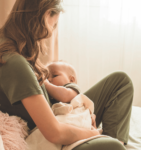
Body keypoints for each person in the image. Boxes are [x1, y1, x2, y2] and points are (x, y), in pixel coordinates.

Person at [0, 0, 133, 150]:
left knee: (121, 82)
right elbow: (54, 133)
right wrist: (92, 133)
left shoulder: (12, 45)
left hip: (59, 114)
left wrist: (83, 115)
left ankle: (111, 142)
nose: (50, 32)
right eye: (53, 25)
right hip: (52, 139)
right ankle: (110, 143)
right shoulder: (14, 62)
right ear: (45, 14)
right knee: (113, 146)